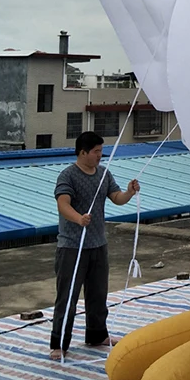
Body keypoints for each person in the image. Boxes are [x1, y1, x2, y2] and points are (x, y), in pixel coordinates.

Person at [49, 131, 139, 360]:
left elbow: (116, 198)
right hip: (72, 246)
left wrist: (129, 192)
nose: (100, 155)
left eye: (101, 151)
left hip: (98, 244)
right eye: (96, 151)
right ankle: (59, 343)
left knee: (98, 294)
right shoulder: (67, 175)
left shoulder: (104, 174)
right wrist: (79, 218)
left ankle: (97, 334)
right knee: (67, 296)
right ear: (83, 152)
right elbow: (63, 204)